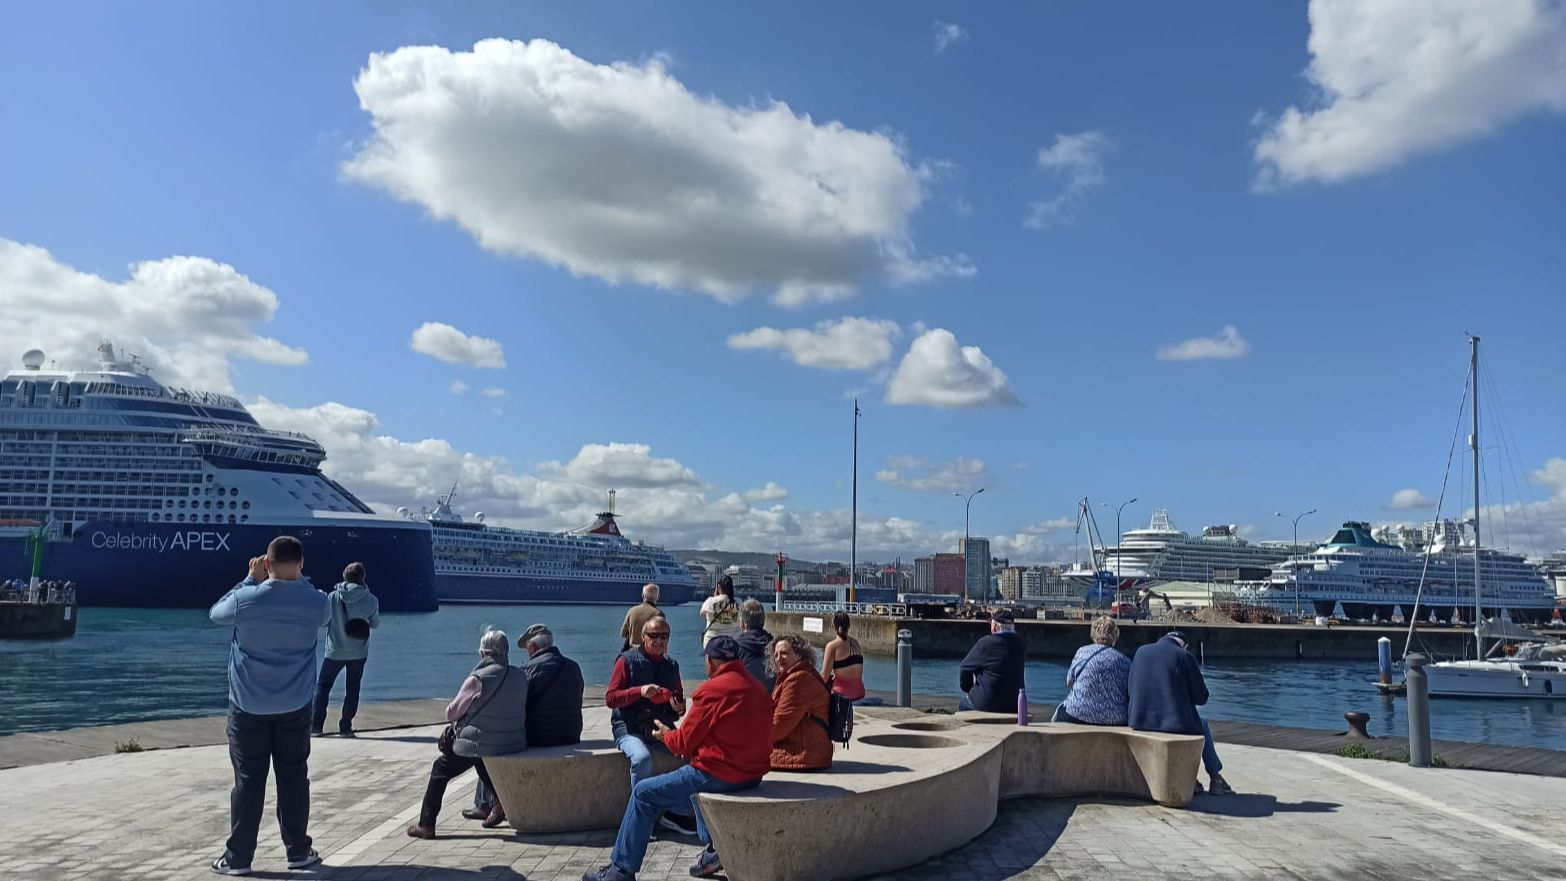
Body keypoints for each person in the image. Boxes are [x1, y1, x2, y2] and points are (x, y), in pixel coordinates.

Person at [584, 635, 772, 881]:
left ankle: (620, 871)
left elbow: (683, 742)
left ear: (713, 662)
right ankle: (715, 849)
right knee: (692, 769)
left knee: (643, 793)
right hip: (752, 775)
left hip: (719, 775)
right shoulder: (758, 688)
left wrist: (665, 735)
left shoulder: (712, 691)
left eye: (707, 660)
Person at [207, 536, 331, 876]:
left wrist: (250, 579)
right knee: (294, 777)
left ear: (266, 563)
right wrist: (297, 581)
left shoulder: (246, 599)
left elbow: (216, 614)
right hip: (296, 705)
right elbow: (319, 610)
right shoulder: (318, 602)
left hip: (248, 705)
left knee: (249, 781)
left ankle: (239, 859)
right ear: (302, 563)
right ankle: (298, 851)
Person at [407, 627, 529, 838]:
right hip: (513, 741)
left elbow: (452, 713)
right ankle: (498, 802)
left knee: (440, 769)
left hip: (481, 742)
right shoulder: (519, 676)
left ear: (484, 653)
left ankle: (426, 824)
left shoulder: (477, 679)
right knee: (481, 761)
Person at [466, 623, 586, 820]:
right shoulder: (573, 667)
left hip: (539, 737)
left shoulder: (528, 670)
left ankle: (486, 804)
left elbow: (517, 706)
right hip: (570, 734)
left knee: (489, 742)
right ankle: (489, 803)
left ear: (532, 648)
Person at [604, 616, 695, 834]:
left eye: (664, 636)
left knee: (693, 755)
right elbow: (611, 698)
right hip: (628, 726)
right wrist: (640, 691)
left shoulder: (671, 666)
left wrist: (678, 706)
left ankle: (677, 812)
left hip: (659, 726)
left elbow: (678, 707)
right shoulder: (626, 661)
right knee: (642, 759)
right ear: (643, 637)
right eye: (654, 636)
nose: (659, 641)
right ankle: (639, 819)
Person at [1128, 630, 1233, 795]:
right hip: (1174, 724)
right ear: (1185, 645)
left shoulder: (1141, 651)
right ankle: (1215, 778)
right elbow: (1201, 697)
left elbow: (1130, 688)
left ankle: (1192, 780)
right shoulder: (1184, 657)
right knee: (1203, 726)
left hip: (1138, 721)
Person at [312, 562, 380, 737]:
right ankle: (345, 727)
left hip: (334, 651)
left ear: (344, 576)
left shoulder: (332, 597)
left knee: (323, 686)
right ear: (362, 578)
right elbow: (375, 624)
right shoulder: (371, 599)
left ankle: (316, 727)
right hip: (359, 652)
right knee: (353, 688)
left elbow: (323, 621)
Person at [767, 634, 832, 771]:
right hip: (809, 749)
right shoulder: (800, 674)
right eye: (776, 655)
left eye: (784, 653)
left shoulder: (798, 680)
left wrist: (755, 739)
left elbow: (779, 726)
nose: (779, 658)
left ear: (800, 655)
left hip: (803, 753)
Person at [1052, 616, 1131, 725]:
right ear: (1115, 636)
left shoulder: (1082, 652)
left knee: (1060, 711)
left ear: (1093, 633)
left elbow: (1069, 683)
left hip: (1078, 714)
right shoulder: (1125, 661)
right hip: (1116, 719)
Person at [958, 609, 1026, 713]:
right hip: (1014, 704)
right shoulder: (1020, 644)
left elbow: (965, 667)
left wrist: (967, 688)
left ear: (994, 626)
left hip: (986, 704)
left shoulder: (987, 642)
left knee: (963, 703)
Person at [819, 611, 866, 702]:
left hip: (843, 694)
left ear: (833, 626)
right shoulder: (856, 643)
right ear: (848, 626)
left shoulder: (832, 646)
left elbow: (824, 676)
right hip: (860, 692)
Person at [734, 598, 775, 692]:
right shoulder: (774, 645)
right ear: (763, 622)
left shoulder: (736, 646)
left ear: (743, 624)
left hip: (745, 697)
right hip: (770, 697)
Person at [619, 583, 664, 651]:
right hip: (649, 654)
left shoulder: (631, 611)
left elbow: (623, 633)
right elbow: (661, 640)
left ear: (642, 595)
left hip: (631, 652)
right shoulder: (658, 614)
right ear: (658, 597)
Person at [699, 576, 740, 647]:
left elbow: (702, 614)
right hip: (734, 642)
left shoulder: (710, 601)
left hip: (712, 642)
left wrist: (715, 597)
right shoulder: (739, 602)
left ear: (718, 587)